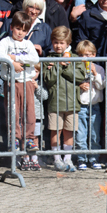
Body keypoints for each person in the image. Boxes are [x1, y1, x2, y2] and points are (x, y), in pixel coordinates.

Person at [0, 11, 40, 152]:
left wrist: (14, 58)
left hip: (27, 82)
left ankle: (29, 138)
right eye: (18, 29)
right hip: (11, 82)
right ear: (11, 27)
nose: (20, 33)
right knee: (12, 111)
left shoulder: (28, 44)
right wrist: (12, 64)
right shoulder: (5, 42)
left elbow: (35, 59)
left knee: (29, 112)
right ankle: (13, 137)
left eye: (24, 30)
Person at [43, 26, 83, 172]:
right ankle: (56, 159)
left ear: (68, 43)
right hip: (55, 102)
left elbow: (80, 76)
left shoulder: (75, 58)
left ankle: (68, 159)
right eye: (56, 42)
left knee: (69, 131)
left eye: (62, 43)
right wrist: (59, 65)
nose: (58, 46)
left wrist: (67, 66)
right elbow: (49, 79)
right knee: (55, 130)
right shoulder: (47, 59)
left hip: (72, 102)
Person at [75, 40, 105, 170]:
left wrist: (95, 73)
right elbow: (72, 82)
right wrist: (80, 85)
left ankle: (94, 158)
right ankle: (81, 158)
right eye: (81, 55)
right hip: (81, 105)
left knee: (94, 134)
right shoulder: (76, 68)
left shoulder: (99, 69)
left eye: (87, 55)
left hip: (94, 105)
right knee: (80, 134)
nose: (84, 58)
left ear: (94, 55)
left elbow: (102, 86)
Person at [20, 66, 48, 172]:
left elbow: (45, 96)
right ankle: (25, 159)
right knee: (25, 136)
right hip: (24, 115)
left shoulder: (40, 83)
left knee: (35, 137)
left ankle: (34, 159)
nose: (34, 73)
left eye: (36, 71)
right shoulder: (22, 81)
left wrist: (37, 87)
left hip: (37, 115)